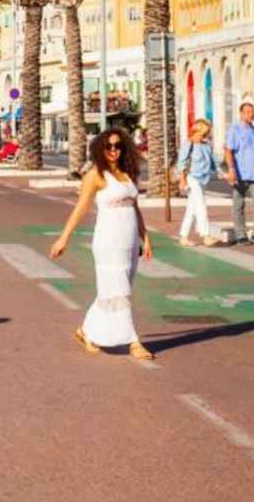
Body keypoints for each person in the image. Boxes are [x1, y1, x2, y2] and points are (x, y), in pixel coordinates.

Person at [49, 128, 155, 361]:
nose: (114, 151)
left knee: (114, 290)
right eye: (108, 147)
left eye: (118, 146)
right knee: (120, 291)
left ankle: (86, 331)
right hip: (109, 238)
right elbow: (80, 208)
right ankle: (133, 342)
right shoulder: (95, 175)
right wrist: (64, 237)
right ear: (100, 149)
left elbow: (135, 207)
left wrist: (145, 237)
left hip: (129, 238)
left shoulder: (128, 173)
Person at [224, 102, 254, 245]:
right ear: (241, 113)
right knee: (239, 204)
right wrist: (232, 170)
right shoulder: (235, 129)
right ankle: (240, 235)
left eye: (252, 111)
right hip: (240, 174)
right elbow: (228, 150)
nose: (251, 114)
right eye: (247, 112)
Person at [175, 119, 221, 248]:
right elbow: (182, 163)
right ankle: (205, 235)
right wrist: (183, 179)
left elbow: (214, 163)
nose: (205, 136)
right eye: (203, 133)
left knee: (192, 208)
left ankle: (183, 236)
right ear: (196, 131)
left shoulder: (206, 145)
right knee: (201, 205)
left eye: (206, 133)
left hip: (203, 179)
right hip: (192, 178)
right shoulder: (188, 144)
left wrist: (224, 174)